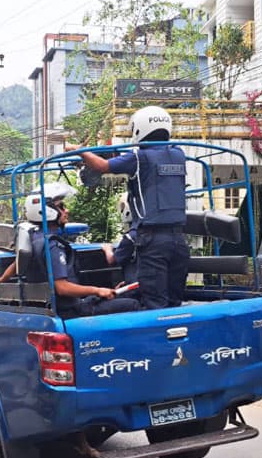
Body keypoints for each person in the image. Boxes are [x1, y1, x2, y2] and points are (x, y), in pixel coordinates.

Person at [76, 106, 190, 310]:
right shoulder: (179, 154)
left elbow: (102, 166)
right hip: (179, 240)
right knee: (174, 302)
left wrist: (80, 151)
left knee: (155, 304)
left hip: (152, 239)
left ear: (139, 129)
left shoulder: (139, 157)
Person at [0, 182, 139, 318]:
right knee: (134, 305)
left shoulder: (33, 238)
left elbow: (18, 263)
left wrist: (1, 280)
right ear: (46, 211)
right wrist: (97, 290)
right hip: (70, 311)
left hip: (61, 307)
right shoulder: (52, 245)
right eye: (61, 206)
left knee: (119, 297)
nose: (66, 210)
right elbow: (62, 288)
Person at [102, 192, 139, 287]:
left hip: (135, 287)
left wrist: (107, 249)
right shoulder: (153, 232)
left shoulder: (131, 236)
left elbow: (112, 260)